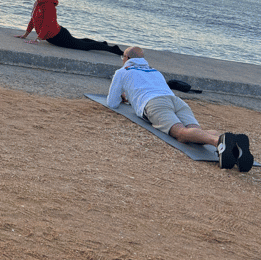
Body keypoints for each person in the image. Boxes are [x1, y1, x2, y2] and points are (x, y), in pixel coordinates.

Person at [107, 46, 254, 172]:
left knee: (181, 134)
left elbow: (112, 102)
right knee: (198, 134)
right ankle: (233, 144)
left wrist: (123, 98)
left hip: (154, 103)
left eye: (122, 57)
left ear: (126, 57)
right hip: (176, 101)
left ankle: (219, 142)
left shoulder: (123, 72)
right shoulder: (154, 71)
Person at [15, 0, 124, 55]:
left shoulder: (49, 5)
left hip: (59, 36)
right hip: (54, 36)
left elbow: (47, 24)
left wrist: (37, 39)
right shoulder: (38, 4)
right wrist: (25, 35)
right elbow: (33, 20)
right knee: (81, 42)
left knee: (84, 47)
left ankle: (113, 49)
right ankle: (103, 43)